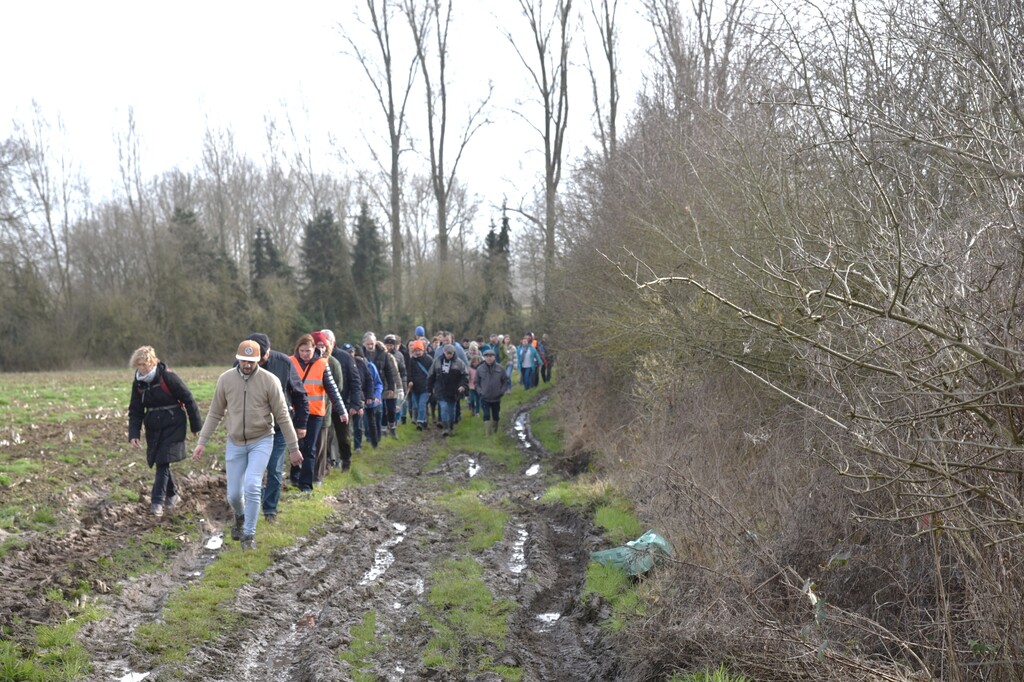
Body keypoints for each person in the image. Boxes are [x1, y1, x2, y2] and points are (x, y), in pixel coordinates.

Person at [192, 339, 302, 551]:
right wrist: (202, 442)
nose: (248, 365)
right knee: (233, 494)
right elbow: (215, 413)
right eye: (244, 361)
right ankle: (240, 517)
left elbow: (282, 415)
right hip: (235, 443)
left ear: (259, 359)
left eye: (252, 361)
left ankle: (249, 535)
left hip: (261, 439)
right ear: (238, 358)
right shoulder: (226, 380)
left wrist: (294, 447)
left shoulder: (270, 381)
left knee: (252, 485)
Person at [241, 332, 309, 525]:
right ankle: (251, 505)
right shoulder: (241, 362)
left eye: (261, 358)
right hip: (252, 428)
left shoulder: (284, 363)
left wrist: (301, 424)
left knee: (274, 468)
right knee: (251, 470)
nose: (256, 363)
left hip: (278, 427)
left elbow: (299, 394)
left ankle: (270, 509)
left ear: (268, 352)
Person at [128, 346, 203, 517]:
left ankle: (157, 503)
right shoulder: (138, 383)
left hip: (173, 423)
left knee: (162, 462)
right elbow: (135, 409)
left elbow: (188, 399)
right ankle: (173, 495)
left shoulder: (168, 377)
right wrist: (134, 434)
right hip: (153, 426)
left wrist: (196, 427)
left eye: (143, 365)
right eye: (137, 365)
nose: (141, 369)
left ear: (151, 361)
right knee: (161, 460)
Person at [290, 333, 346, 492]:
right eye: (302, 351)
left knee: (310, 448)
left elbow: (333, 389)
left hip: (315, 413)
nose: (305, 354)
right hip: (295, 412)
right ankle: (294, 477)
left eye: (308, 350)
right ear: (297, 350)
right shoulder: (290, 362)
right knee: (295, 446)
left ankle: (306, 485)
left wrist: (341, 410)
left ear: (314, 349)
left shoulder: (322, 364)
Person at [312, 331, 350, 482]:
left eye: (322, 346)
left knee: (331, 439)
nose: (320, 349)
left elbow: (338, 387)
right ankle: (319, 469)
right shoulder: (305, 362)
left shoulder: (333, 363)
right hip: (310, 410)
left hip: (329, 407)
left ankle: (338, 463)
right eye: (317, 345)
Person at [426, 343, 469, 437]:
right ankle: (445, 428)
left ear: (454, 353)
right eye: (447, 353)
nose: (449, 355)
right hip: (440, 389)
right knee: (444, 407)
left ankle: (451, 427)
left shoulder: (459, 363)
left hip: (453, 391)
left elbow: (465, 376)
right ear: (444, 352)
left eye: (451, 353)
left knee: (451, 410)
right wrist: (429, 389)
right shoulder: (437, 361)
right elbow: (431, 376)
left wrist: (462, 386)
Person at [476, 347, 510, 435]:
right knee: (486, 415)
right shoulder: (480, 369)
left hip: (496, 397)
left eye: (491, 356)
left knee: (496, 415)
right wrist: (480, 391)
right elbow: (476, 382)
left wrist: (502, 391)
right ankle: (488, 434)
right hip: (484, 397)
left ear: (494, 357)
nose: (489, 358)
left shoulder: (500, 368)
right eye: (487, 356)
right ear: (484, 357)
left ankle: (495, 432)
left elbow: (505, 381)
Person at [406, 339, 433, 430]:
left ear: (423, 350)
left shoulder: (429, 360)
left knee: (422, 404)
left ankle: (420, 422)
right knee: (417, 406)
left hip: (425, 387)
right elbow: (409, 373)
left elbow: (432, 374)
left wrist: (431, 386)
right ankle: (424, 421)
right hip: (415, 388)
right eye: (415, 351)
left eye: (419, 350)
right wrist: (410, 381)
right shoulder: (412, 361)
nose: (417, 352)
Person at [383, 334, 407, 437]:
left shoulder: (399, 355)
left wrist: (402, 387)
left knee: (392, 408)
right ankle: (383, 429)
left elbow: (402, 371)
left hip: (394, 385)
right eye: (387, 345)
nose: (389, 347)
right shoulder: (381, 355)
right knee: (383, 409)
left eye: (391, 345)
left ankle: (392, 426)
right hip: (383, 385)